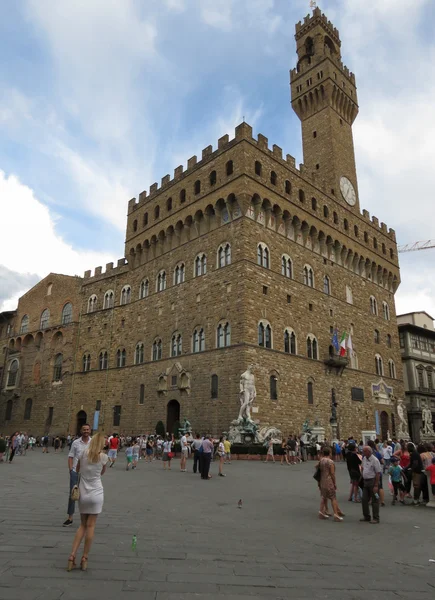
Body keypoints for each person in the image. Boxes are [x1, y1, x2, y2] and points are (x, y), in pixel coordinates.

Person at [67, 433, 109, 571]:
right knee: (91, 527)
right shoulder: (103, 457)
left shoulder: (84, 454)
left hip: (83, 493)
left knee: (82, 526)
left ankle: (72, 556)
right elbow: (102, 473)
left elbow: (77, 470)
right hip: (97, 493)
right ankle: (84, 558)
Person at [64, 424, 91, 527]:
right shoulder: (75, 443)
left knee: (87, 495)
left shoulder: (93, 442)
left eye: (87, 429)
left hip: (88, 472)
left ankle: (86, 517)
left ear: (90, 430)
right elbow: (70, 456)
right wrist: (71, 470)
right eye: (84, 429)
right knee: (73, 494)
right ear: (81, 430)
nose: (86, 431)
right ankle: (70, 518)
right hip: (75, 471)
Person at [317, 447, 345, 522]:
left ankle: (321, 511)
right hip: (328, 481)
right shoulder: (330, 462)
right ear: (330, 453)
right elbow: (332, 473)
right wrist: (334, 483)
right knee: (333, 497)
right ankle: (336, 514)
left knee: (323, 496)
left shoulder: (321, 460)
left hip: (322, 480)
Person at [360, 446, 381, 524]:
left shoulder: (375, 460)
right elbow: (362, 467)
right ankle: (366, 516)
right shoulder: (364, 458)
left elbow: (378, 473)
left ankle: (376, 518)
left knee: (375, 500)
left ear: (369, 452)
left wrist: (376, 485)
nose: (363, 453)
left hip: (373, 481)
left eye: (364, 451)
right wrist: (362, 473)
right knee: (364, 499)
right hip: (365, 481)